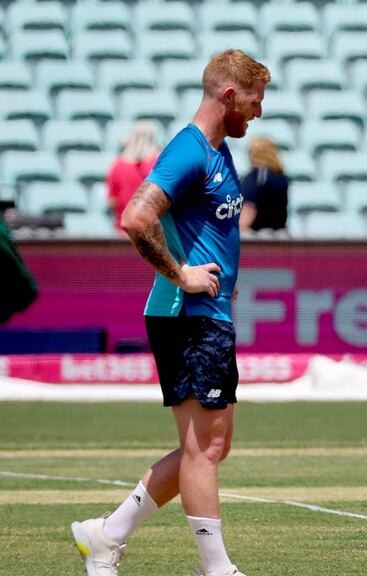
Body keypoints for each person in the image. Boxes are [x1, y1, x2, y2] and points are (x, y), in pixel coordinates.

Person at [70, 49, 269, 576]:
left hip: (206, 314)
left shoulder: (219, 151)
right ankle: (217, 568)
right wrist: (181, 274)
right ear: (229, 95)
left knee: (211, 446)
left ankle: (106, 534)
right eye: (255, 100)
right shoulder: (189, 151)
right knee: (205, 448)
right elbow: (137, 217)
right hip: (188, 313)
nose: (259, 111)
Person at [106, 121, 162, 232]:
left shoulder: (117, 165)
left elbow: (112, 201)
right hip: (152, 232)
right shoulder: (159, 163)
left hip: (123, 230)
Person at [239, 136, 289, 232]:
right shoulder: (281, 177)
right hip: (279, 234)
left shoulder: (256, 176)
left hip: (258, 235)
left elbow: (249, 207)